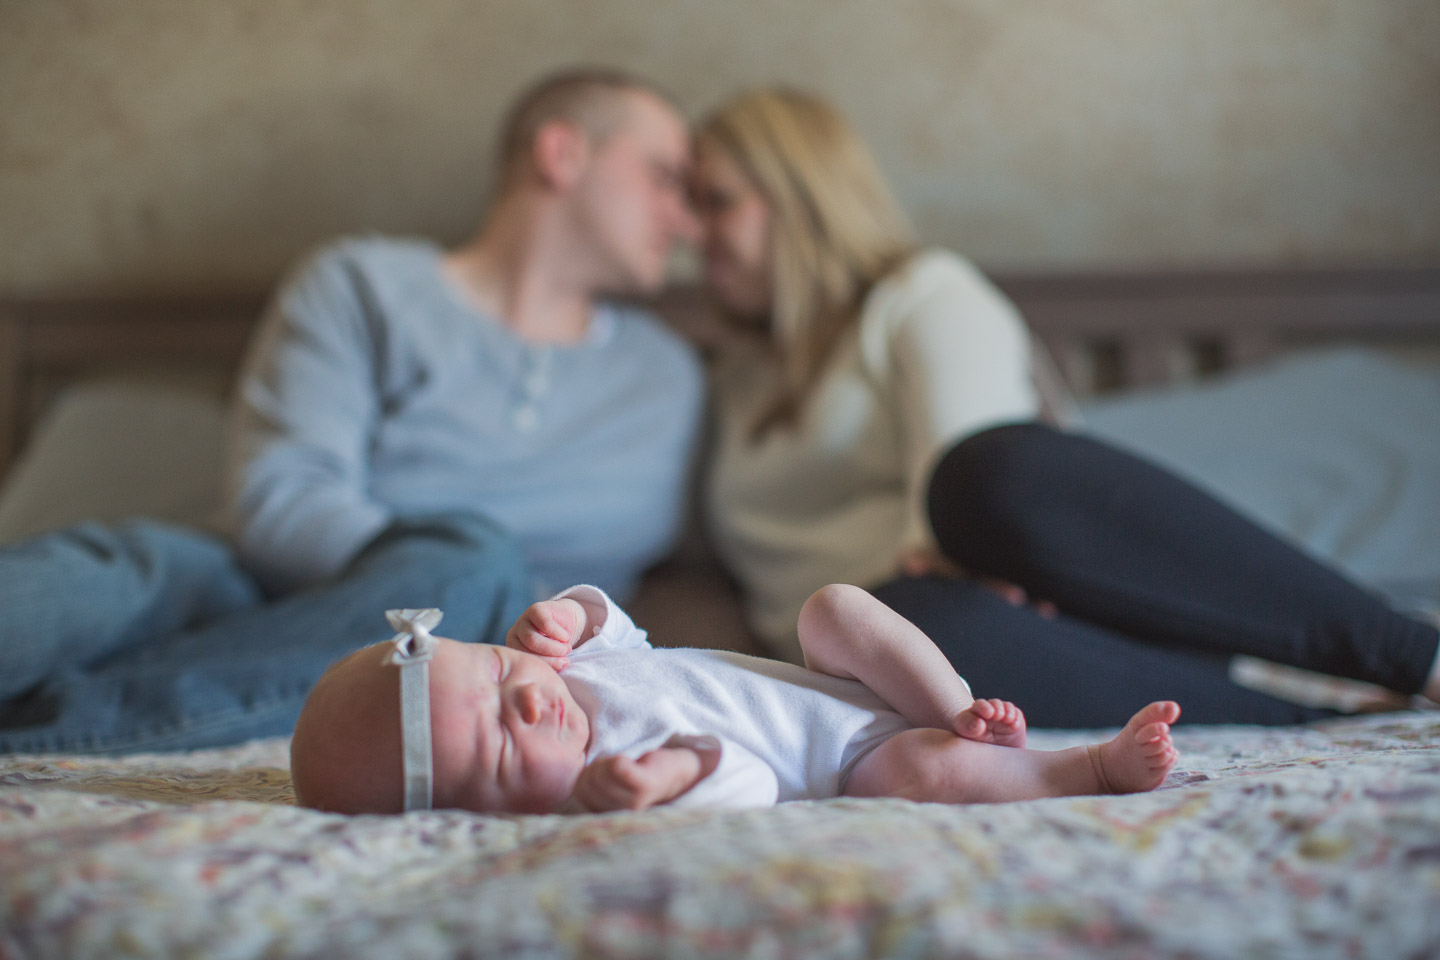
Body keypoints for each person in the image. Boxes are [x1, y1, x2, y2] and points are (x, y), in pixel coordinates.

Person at [0, 68, 704, 754]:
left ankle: (47, 730)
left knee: (479, 565)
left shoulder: (670, 376)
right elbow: (283, 500)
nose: (686, 221)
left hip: (495, 648)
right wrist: (418, 570)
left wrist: (485, 601)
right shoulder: (361, 284)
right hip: (261, 585)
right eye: (664, 178)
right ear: (564, 153)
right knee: (111, 571)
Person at [688, 86, 1440, 727]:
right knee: (914, 624)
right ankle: (1311, 720)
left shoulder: (920, 295)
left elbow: (961, 486)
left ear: (800, 197)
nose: (695, 235)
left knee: (986, 473)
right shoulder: (729, 377)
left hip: (1015, 607)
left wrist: (945, 578)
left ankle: (1409, 653)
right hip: (875, 656)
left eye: (717, 202)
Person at [290, 583, 1181, 814]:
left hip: (847, 687)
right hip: (850, 758)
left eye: (491, 676)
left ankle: (958, 707)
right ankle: (1087, 766)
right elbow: (750, 785)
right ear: (471, 813)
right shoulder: (603, 784)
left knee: (832, 609)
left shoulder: (575, 673)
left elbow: (618, 624)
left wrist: (569, 612)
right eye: (492, 747)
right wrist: (679, 774)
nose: (524, 704)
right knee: (910, 775)